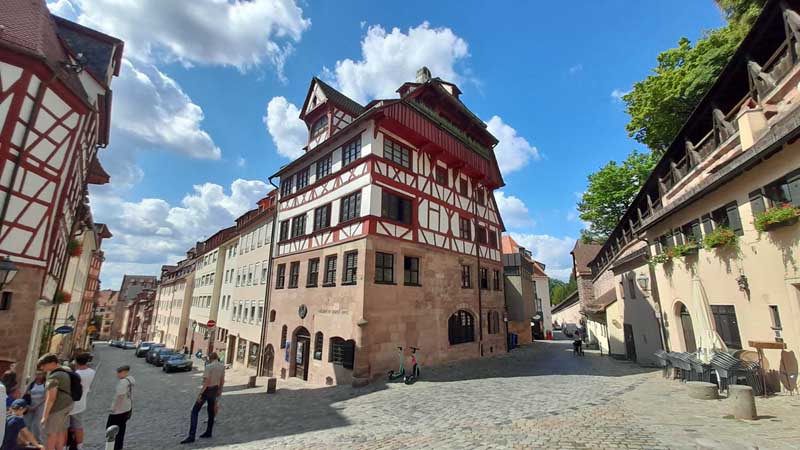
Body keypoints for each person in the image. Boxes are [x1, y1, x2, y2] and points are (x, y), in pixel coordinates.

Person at [180, 352, 224, 444]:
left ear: (210, 359)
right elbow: (222, 380)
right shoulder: (221, 366)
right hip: (215, 388)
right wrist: (220, 390)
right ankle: (209, 432)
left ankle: (192, 435)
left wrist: (200, 394)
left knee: (194, 411)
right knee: (211, 411)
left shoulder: (209, 367)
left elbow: (206, 382)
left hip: (207, 389)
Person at [38, 354, 74, 450]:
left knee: (51, 434)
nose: (42, 367)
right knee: (60, 432)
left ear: (52, 363)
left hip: (58, 407)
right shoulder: (65, 373)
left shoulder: (54, 377)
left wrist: (44, 416)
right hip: (67, 405)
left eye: (44, 365)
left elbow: (51, 398)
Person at [68, 354, 95, 450]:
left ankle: (63, 446)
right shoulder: (92, 372)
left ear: (76, 362)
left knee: (65, 427)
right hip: (82, 402)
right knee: (78, 426)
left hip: (72, 403)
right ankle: (79, 446)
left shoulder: (75, 374)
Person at [106, 366, 134, 450]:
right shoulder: (131, 380)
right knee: (121, 429)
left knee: (111, 429)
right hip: (127, 408)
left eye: (119, 373)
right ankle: (119, 446)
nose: (117, 375)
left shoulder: (123, 383)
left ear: (124, 372)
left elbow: (120, 397)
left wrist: (114, 409)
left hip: (119, 411)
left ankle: (113, 446)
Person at [23, 372, 47, 443]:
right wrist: (28, 406)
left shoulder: (45, 384)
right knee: (27, 422)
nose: (38, 376)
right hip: (30, 405)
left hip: (40, 406)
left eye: (40, 374)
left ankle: (37, 440)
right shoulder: (32, 384)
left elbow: (46, 397)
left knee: (37, 424)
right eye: (36, 374)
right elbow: (26, 394)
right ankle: (27, 440)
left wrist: (36, 406)